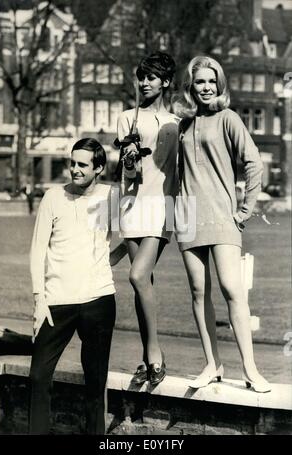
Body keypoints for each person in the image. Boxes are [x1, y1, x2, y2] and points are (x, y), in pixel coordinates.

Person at [174, 56, 271, 393]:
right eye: (200, 82)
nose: (206, 87)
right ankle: (212, 365)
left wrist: (245, 210)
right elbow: (173, 174)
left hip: (222, 215)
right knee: (199, 292)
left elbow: (254, 162)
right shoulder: (183, 124)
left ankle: (250, 369)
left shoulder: (228, 118)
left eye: (211, 82)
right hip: (187, 217)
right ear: (190, 85)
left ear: (219, 84)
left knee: (232, 289)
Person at [29, 138, 116, 434]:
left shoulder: (111, 198)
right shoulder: (53, 197)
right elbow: (37, 250)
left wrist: (107, 260)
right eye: (72, 163)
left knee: (95, 384)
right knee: (39, 376)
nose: (75, 170)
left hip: (99, 300)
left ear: (99, 168)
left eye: (82, 165)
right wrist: (39, 299)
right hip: (56, 303)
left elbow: (138, 240)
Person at [116, 51, 179, 386]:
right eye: (141, 77)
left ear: (165, 82)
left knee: (138, 276)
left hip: (161, 205)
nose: (144, 83)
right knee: (144, 286)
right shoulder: (127, 118)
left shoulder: (176, 123)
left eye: (151, 77)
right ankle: (148, 358)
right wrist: (129, 159)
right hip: (130, 206)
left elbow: (180, 172)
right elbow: (128, 173)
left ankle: (154, 353)